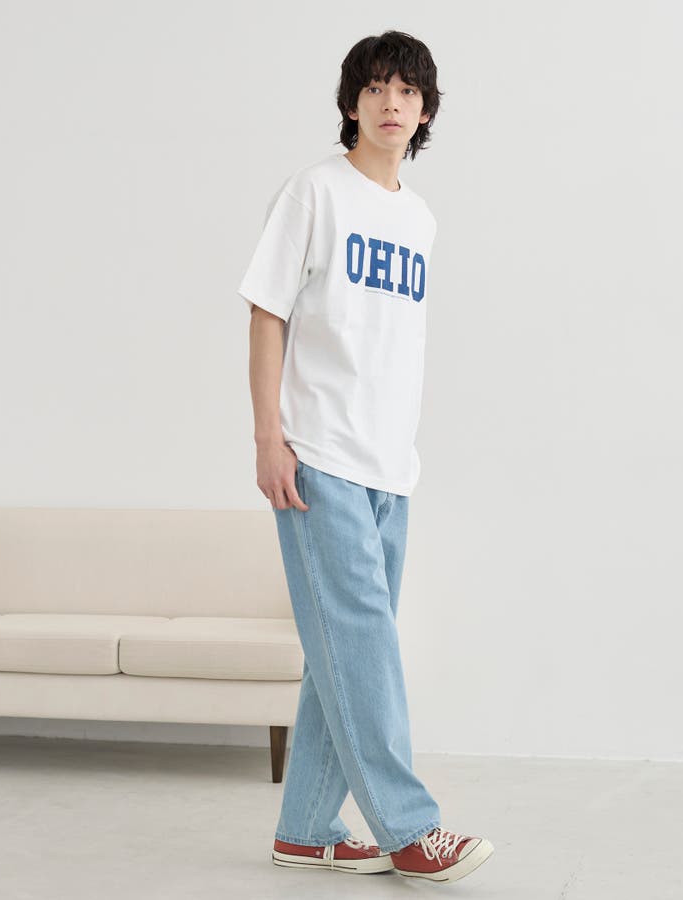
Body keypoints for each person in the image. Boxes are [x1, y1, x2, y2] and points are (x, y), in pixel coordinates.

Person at [237, 30, 494, 884]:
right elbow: (267, 312)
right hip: (320, 458)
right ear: (352, 103)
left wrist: (402, 456)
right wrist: (269, 438)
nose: (392, 103)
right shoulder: (314, 193)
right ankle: (410, 828)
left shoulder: (419, 220)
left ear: (425, 112)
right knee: (365, 648)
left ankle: (306, 827)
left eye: (408, 92)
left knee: (340, 653)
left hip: (391, 470)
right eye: (377, 87)